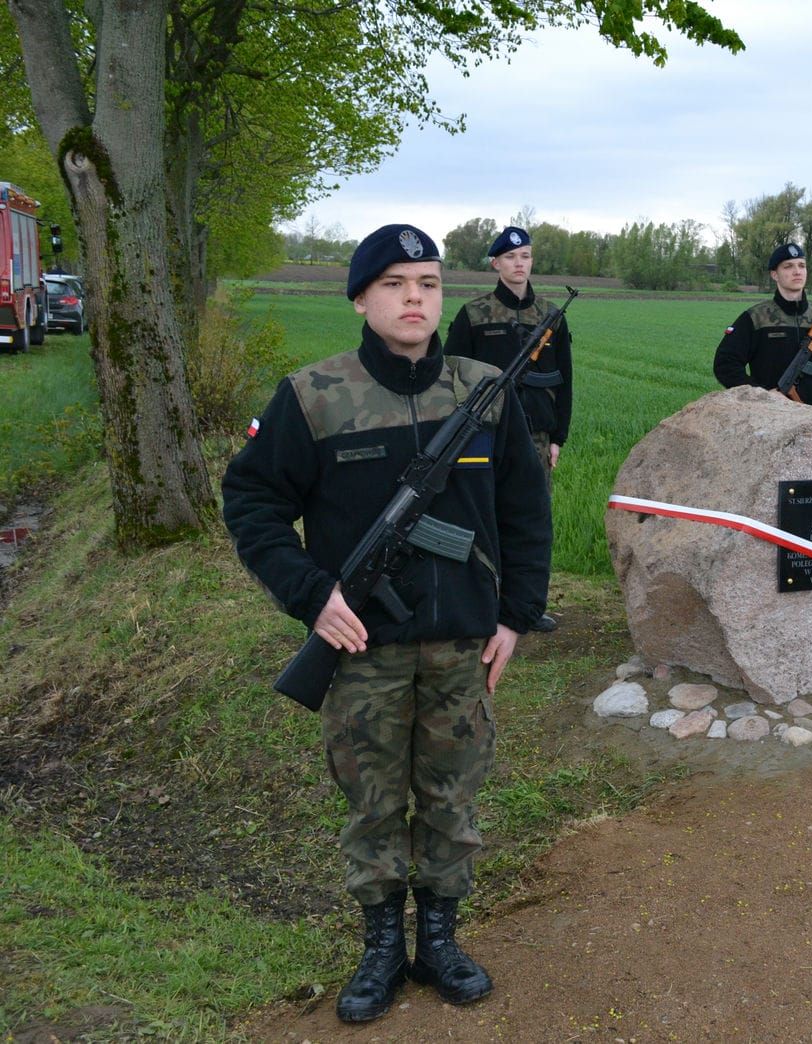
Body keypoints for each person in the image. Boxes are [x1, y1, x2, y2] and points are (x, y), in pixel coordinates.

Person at [222, 224, 552, 1022]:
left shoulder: (483, 391)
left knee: (450, 798)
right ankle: (380, 949)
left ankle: (437, 941)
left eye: (429, 283)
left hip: (462, 646)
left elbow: (523, 514)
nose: (415, 298)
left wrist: (515, 615)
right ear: (362, 298)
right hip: (361, 648)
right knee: (372, 803)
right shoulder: (313, 395)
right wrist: (309, 593)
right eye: (397, 283)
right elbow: (253, 501)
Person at [445, 225, 570, 632]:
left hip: (535, 435)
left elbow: (564, 379)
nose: (520, 264)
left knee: (531, 520)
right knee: (483, 516)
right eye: (511, 258)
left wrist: (558, 438)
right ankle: (482, 601)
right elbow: (449, 374)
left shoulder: (551, 315)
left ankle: (526, 607)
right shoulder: (474, 314)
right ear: (496, 263)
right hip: (484, 432)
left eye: (526, 256)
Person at [713, 242, 812, 412]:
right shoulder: (756, 317)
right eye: (788, 266)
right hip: (769, 416)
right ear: (775, 274)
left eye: (801, 266)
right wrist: (761, 395)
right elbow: (725, 364)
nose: (797, 271)